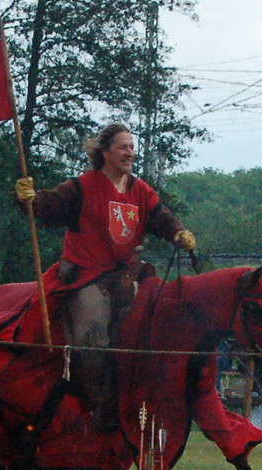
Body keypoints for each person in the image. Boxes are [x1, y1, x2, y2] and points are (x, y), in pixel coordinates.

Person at [15, 123, 196, 430]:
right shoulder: (82, 187)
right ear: (105, 152)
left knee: (156, 318)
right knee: (93, 332)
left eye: (132, 147)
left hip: (126, 274)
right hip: (86, 275)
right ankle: (97, 407)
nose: (130, 152)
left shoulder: (141, 191)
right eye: (123, 147)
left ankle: (150, 399)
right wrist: (29, 200)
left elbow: (161, 218)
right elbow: (50, 208)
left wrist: (179, 232)